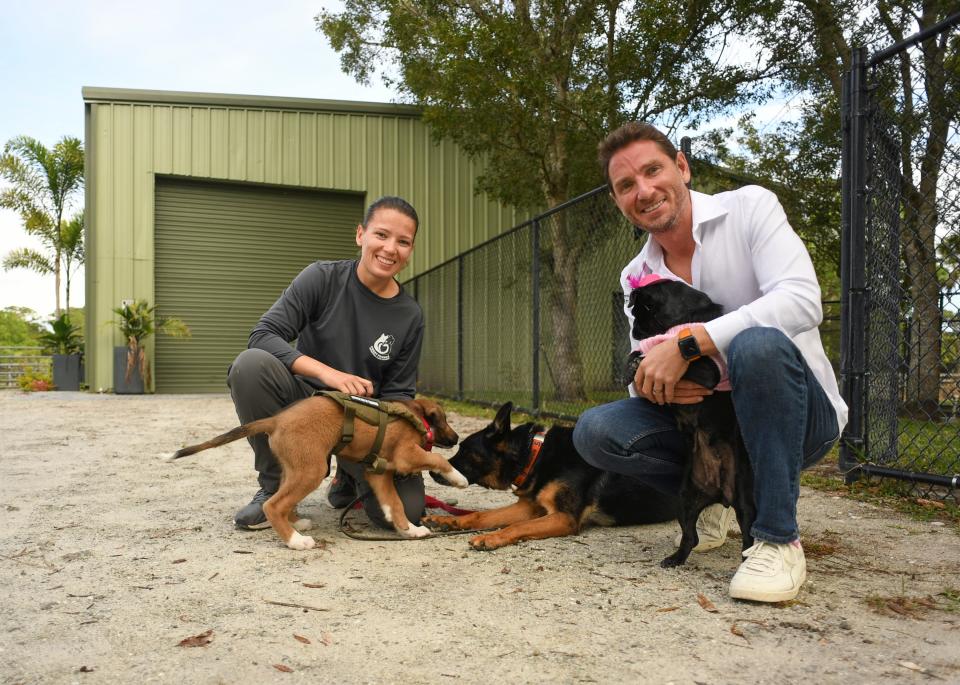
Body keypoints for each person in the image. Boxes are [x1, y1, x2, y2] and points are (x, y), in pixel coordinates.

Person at [572, 122, 847, 603]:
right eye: (626, 185)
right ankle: (718, 495)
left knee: (756, 345)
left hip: (800, 421)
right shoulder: (635, 275)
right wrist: (655, 382)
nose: (645, 190)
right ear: (618, 201)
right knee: (594, 431)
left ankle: (778, 539)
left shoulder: (750, 208)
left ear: (682, 166)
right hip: (713, 431)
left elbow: (804, 302)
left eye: (653, 170)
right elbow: (645, 362)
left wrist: (691, 346)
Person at [229, 195, 427, 532]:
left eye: (403, 241)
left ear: (410, 249)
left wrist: (396, 448)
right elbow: (263, 334)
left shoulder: (410, 316)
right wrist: (328, 374)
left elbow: (398, 395)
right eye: (381, 235)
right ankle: (276, 483)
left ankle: (346, 478)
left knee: (406, 514)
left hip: (361, 427)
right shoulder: (321, 278)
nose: (391, 248)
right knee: (251, 366)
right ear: (360, 234)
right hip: (305, 409)